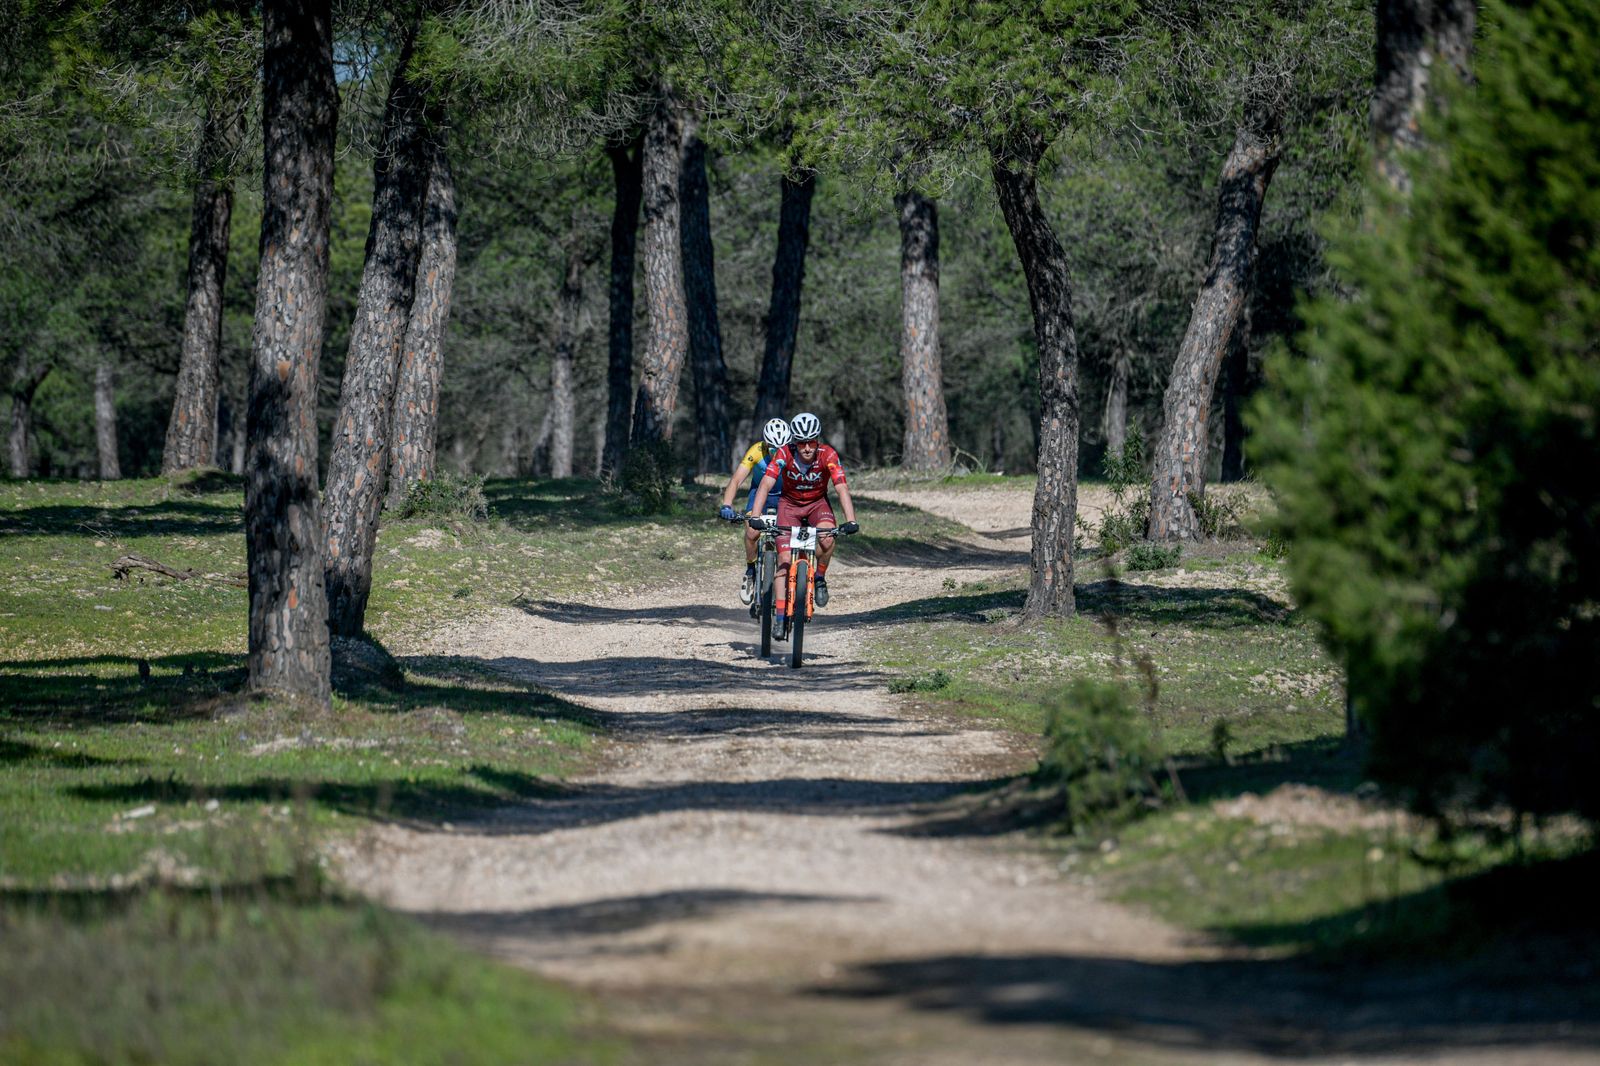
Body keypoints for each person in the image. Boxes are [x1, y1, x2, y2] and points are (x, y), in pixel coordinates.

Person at [745, 411, 859, 629]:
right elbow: (766, 484)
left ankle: (819, 578)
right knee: (784, 560)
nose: (807, 448)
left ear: (818, 441)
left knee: (827, 539)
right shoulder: (783, 454)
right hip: (789, 506)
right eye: (802, 443)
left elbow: (841, 487)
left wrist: (851, 520)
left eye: (812, 442)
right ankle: (779, 616)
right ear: (794, 442)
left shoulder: (828, 455)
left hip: (817, 504)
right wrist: (756, 516)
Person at [717, 417, 792, 605]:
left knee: (791, 535)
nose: (777, 452)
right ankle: (750, 571)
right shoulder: (756, 451)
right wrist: (727, 504)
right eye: (773, 448)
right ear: (766, 444)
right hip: (759, 495)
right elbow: (735, 480)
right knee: (752, 531)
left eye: (781, 448)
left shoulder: (792, 452)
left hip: (785, 497)